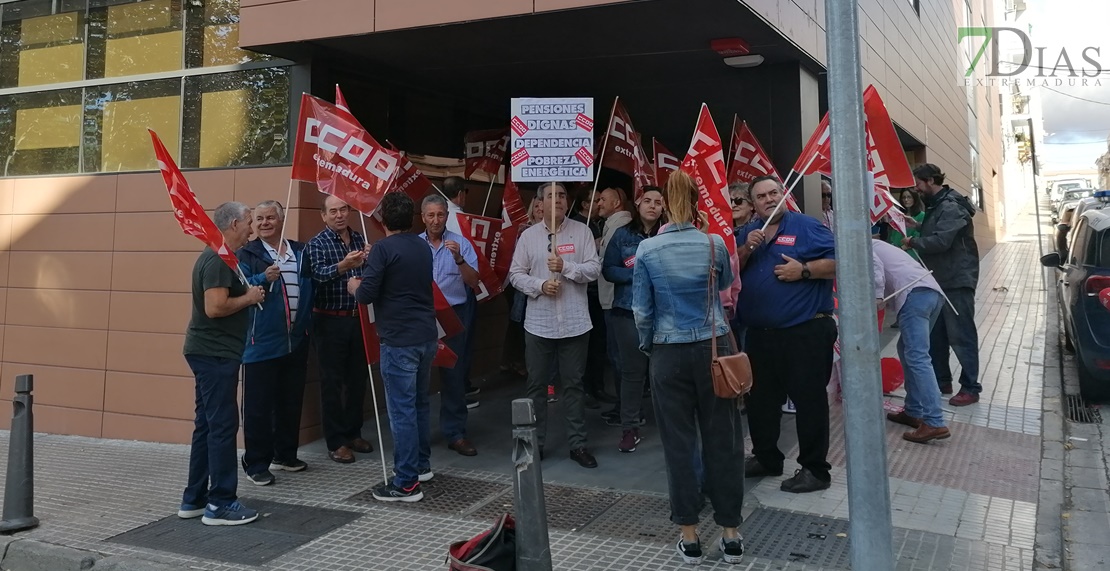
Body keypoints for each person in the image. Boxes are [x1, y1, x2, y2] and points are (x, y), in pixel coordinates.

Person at [632, 171, 745, 565]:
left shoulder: (647, 250)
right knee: (724, 441)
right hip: (714, 349)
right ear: (697, 202)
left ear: (663, 203)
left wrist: (650, 347)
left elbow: (642, 310)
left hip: (668, 351)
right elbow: (727, 286)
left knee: (678, 445)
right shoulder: (714, 244)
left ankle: (690, 536)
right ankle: (731, 534)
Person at [738, 175, 838, 494]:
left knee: (808, 401)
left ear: (783, 195)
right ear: (753, 204)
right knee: (761, 401)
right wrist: (745, 249)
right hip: (760, 334)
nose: (769, 199)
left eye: (774, 193)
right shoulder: (747, 233)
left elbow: (843, 261)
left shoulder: (806, 227)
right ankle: (766, 458)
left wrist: (805, 270)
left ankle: (815, 470)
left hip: (804, 330)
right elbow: (729, 270)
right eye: (761, 196)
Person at [348, 192, 439, 502]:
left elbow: (366, 294)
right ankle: (421, 465)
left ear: (382, 219)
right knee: (419, 405)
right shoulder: (422, 245)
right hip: (426, 335)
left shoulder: (384, 250)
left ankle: (406, 482)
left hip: (399, 340)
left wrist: (354, 284)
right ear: (412, 218)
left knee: (401, 411)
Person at [179, 201, 265, 526]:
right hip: (214, 354)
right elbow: (215, 307)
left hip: (212, 353)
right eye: (248, 223)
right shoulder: (216, 258)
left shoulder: (224, 257)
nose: (252, 230)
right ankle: (221, 503)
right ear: (232, 224)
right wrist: (250, 297)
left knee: (207, 425)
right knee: (222, 426)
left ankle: (194, 499)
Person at [509, 182, 602, 468]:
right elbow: (515, 274)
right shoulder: (528, 237)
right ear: (540, 203)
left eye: (562, 195)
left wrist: (568, 268)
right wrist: (538, 285)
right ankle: (534, 446)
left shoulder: (582, 231)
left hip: (575, 324)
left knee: (574, 385)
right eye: (552, 196)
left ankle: (578, 444)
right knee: (536, 386)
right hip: (539, 325)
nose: (558, 200)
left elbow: (594, 269)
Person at [237, 201, 314, 486]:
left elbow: (318, 277)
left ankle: (285, 455)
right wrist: (263, 277)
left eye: (271, 217)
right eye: (259, 219)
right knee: (258, 406)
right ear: (253, 224)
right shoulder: (247, 253)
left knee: (290, 400)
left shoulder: (300, 251)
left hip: (295, 340)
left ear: (281, 220)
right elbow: (240, 286)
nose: (265, 223)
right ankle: (256, 462)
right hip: (261, 343)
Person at [902, 164, 981, 406]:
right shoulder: (939, 204)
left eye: (918, 183)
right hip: (939, 279)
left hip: (956, 280)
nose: (916, 189)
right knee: (937, 335)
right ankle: (941, 379)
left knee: (961, 335)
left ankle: (970, 387)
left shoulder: (950, 206)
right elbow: (938, 231)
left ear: (931, 181)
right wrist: (916, 226)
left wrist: (913, 242)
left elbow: (942, 241)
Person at [307, 195, 374, 464]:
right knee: (332, 382)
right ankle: (336, 441)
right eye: (333, 211)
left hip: (357, 318)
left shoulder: (360, 240)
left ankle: (353, 431)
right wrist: (343, 266)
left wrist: (372, 259)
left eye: (343, 209)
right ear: (323, 215)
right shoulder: (317, 243)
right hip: (328, 320)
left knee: (358, 378)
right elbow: (317, 276)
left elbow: (371, 276)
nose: (339, 215)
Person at [872, 240, 952, 443]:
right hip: (931, 293)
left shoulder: (863, 243)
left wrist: (877, 297)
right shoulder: (880, 244)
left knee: (917, 357)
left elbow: (875, 268)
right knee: (908, 350)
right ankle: (913, 410)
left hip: (913, 294)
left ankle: (934, 421)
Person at [419, 194, 480, 457]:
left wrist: (459, 259)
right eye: (430, 215)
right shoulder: (415, 245)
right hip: (421, 317)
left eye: (440, 215)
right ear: (422, 217)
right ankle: (419, 435)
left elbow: (474, 281)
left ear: (447, 215)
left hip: (454, 315)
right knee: (419, 377)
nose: (435, 220)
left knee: (454, 376)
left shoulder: (461, 243)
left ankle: (455, 433)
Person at [604, 187, 664, 452]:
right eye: (647, 201)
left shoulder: (669, 234)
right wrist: (639, 274)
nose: (652, 206)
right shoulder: (622, 234)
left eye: (658, 202)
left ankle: (671, 425)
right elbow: (608, 269)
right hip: (627, 312)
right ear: (637, 204)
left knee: (664, 372)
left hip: (664, 314)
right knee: (632, 373)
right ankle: (630, 428)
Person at [441, 176, 481, 409]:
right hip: (458, 293)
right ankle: (461, 391)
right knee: (460, 344)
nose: (438, 220)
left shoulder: (454, 224)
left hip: (458, 285)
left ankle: (459, 390)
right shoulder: (462, 220)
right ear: (461, 195)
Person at [596, 186, 633, 425]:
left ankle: (627, 410)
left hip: (617, 303)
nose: (598, 203)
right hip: (610, 301)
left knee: (622, 359)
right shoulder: (611, 226)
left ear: (617, 202)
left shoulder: (622, 228)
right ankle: (625, 407)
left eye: (602, 199)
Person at [886, 189, 926, 261]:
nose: (906, 200)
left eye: (909, 197)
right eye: (904, 197)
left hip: (910, 252)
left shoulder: (921, 215)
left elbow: (917, 235)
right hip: (895, 251)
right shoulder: (898, 215)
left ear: (915, 198)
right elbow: (893, 234)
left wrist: (902, 248)